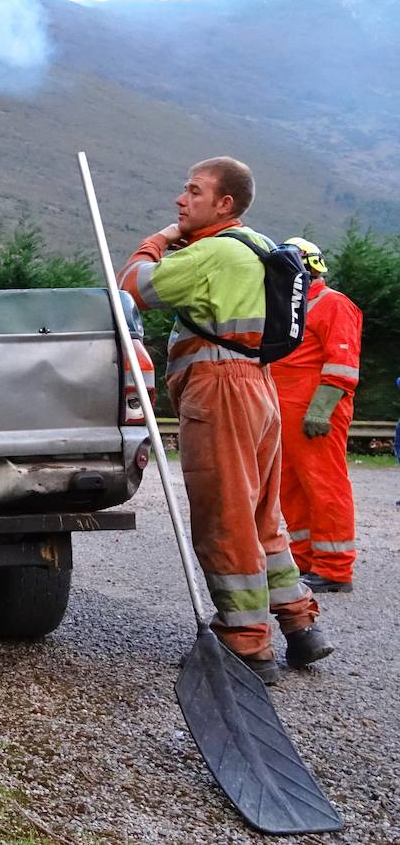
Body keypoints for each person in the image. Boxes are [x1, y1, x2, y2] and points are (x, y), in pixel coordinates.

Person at [117, 156, 332, 684]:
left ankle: (244, 642)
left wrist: (162, 238)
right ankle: (300, 626)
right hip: (259, 387)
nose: (180, 200)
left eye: (193, 192)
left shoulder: (213, 252)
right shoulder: (259, 247)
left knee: (224, 517)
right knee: (260, 516)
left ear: (223, 203)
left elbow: (130, 288)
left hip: (220, 393)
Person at [271, 238, 363, 593]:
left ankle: (335, 568)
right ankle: (306, 560)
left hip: (314, 412)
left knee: (325, 486)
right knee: (290, 488)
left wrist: (321, 409)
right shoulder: (291, 307)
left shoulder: (333, 304)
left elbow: (342, 363)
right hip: (285, 412)